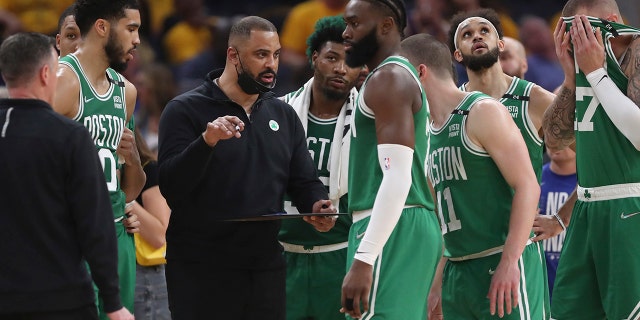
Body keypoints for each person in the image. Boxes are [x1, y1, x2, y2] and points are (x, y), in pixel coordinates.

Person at [157, 16, 337, 320]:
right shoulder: (184, 110)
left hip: (265, 266)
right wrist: (207, 141)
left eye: (276, 54)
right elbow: (171, 186)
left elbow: (303, 180)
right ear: (233, 56)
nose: (272, 65)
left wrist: (316, 204)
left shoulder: (284, 114)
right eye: (261, 55)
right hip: (201, 268)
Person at [401, 33, 547, 320]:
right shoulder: (428, 130)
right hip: (458, 270)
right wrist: (436, 281)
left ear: (420, 72)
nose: (392, 86)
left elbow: (528, 185)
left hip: (501, 261)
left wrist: (509, 261)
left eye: (398, 74)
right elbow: (441, 217)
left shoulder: (482, 111)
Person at [0, 32, 133, 320]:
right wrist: (113, 302)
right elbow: (94, 224)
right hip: (60, 297)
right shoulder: (70, 136)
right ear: (47, 74)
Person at [340, 1, 443, 319]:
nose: (346, 33)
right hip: (403, 221)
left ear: (386, 26)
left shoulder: (389, 79)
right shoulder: (394, 76)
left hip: (391, 224)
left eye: (355, 23)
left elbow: (397, 177)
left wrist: (365, 257)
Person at [539, 0, 640, 318]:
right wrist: (571, 79)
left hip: (630, 205)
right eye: (570, 32)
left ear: (612, 21)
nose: (576, 40)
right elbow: (554, 140)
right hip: (587, 208)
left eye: (583, 29)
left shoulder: (636, 48)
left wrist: (596, 73)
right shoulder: (582, 66)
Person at [52, 0, 146, 318]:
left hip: (118, 234)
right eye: (131, 29)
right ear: (103, 27)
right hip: (72, 238)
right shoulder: (64, 82)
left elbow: (130, 189)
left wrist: (132, 157)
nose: (137, 39)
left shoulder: (126, 92)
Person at [277, 15, 359, 320]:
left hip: (339, 257)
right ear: (314, 58)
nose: (340, 68)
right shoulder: (279, 112)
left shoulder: (369, 121)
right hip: (283, 256)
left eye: (349, 61)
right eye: (332, 58)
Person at [447, 8, 556, 182]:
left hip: (520, 209)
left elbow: (586, 156)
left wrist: (565, 209)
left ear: (500, 44)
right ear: (458, 55)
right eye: (467, 34)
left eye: (484, 30)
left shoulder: (536, 98)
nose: (477, 36)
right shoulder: (448, 107)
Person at [130, 129, 171, 320]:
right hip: (122, 273)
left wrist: (122, 197)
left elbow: (159, 234)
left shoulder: (149, 169)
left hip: (146, 276)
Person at [537, 146, 576, 301]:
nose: (555, 142)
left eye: (563, 136)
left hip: (575, 285)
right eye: (550, 132)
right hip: (539, 282)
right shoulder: (531, 178)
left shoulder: (589, 182)